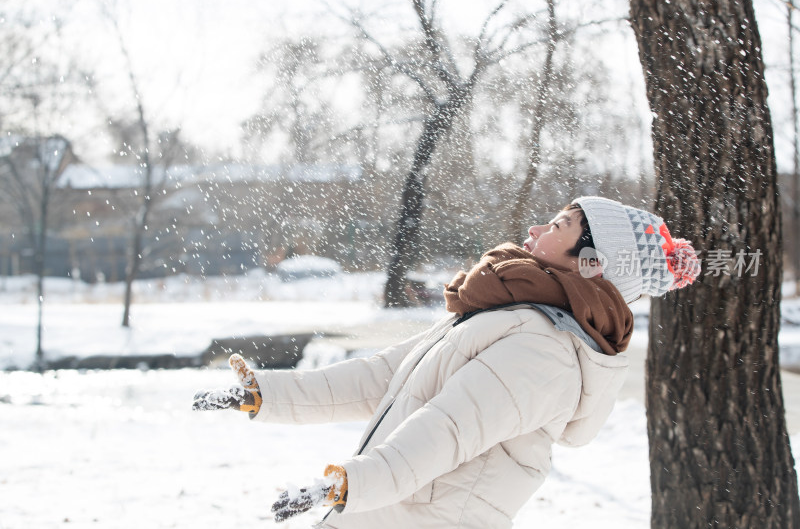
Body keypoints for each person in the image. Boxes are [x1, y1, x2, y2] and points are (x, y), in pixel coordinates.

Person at [192, 196, 700, 528]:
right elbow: (388, 376)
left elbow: (447, 428)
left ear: (592, 263)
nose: (535, 226)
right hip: (391, 508)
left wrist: (352, 482)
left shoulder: (548, 350)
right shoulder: (511, 315)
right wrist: (268, 394)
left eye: (560, 225)